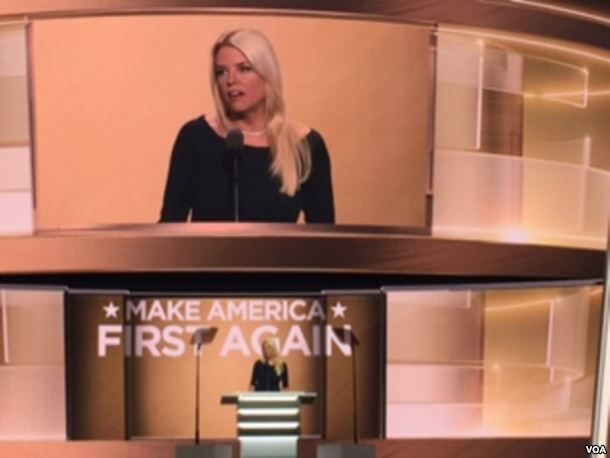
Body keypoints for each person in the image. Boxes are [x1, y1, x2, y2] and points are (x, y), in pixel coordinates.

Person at [160, 29, 335, 223]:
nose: (230, 80)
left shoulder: (306, 146)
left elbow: (324, 240)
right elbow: (170, 229)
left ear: (267, 74)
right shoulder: (195, 137)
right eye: (221, 72)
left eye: (244, 68)